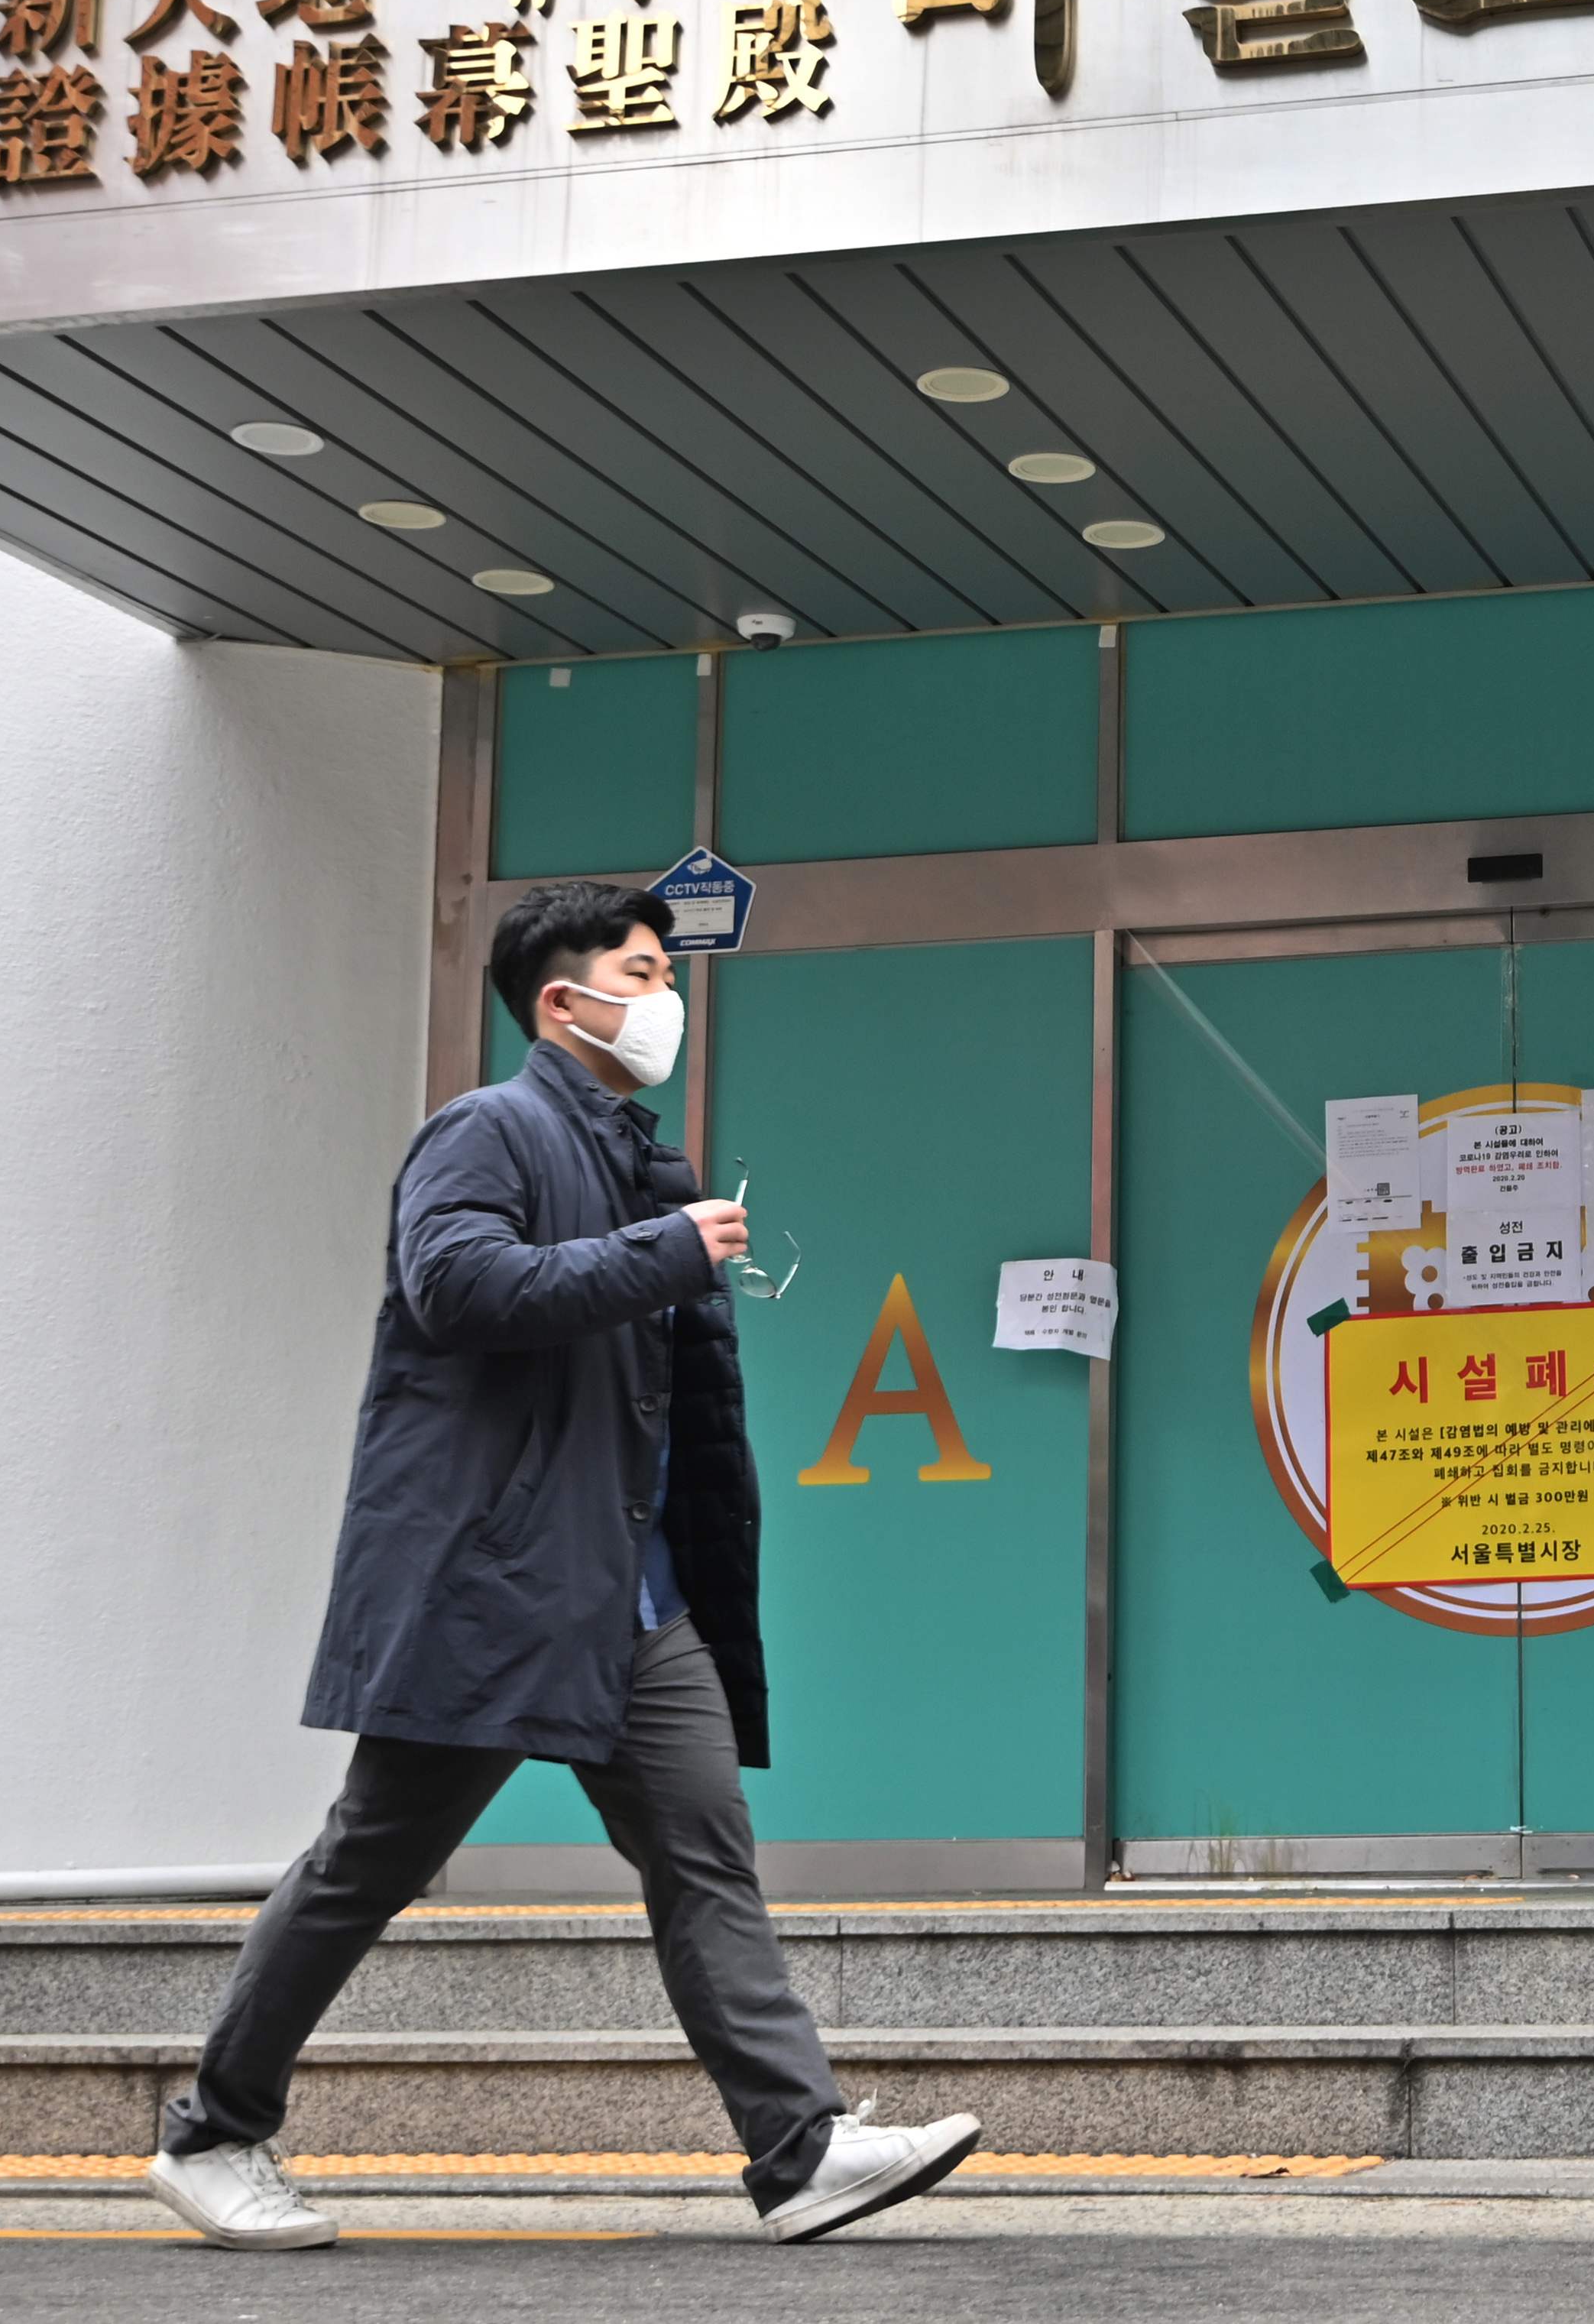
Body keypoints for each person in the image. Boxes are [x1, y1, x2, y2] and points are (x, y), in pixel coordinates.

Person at [145, 881, 977, 2251]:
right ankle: (215, 2130)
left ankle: (801, 2146)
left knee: (704, 1851)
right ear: (562, 1000)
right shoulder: (489, 1128)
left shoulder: (636, 1155)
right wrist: (664, 1250)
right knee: (370, 1861)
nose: (667, 1001)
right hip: (499, 1585)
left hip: (629, 1599)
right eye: (644, 972)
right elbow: (456, 1286)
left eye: (666, 974)